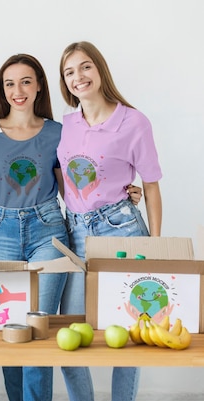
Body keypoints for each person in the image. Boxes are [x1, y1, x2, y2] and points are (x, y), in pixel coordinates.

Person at [57, 41, 162, 401]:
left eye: (85, 67)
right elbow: (66, 178)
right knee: (70, 335)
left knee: (130, 336)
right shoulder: (66, 125)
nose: (78, 77)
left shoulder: (133, 121)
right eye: (69, 72)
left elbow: (150, 186)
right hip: (75, 234)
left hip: (122, 230)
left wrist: (154, 245)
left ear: (100, 70)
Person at [0, 53, 68, 401]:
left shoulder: (60, 132)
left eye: (26, 81)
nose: (18, 90)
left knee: (37, 327)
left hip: (48, 229)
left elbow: (75, 191)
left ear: (39, 84)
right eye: (9, 83)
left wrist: (127, 191)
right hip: (0, 232)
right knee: (10, 329)